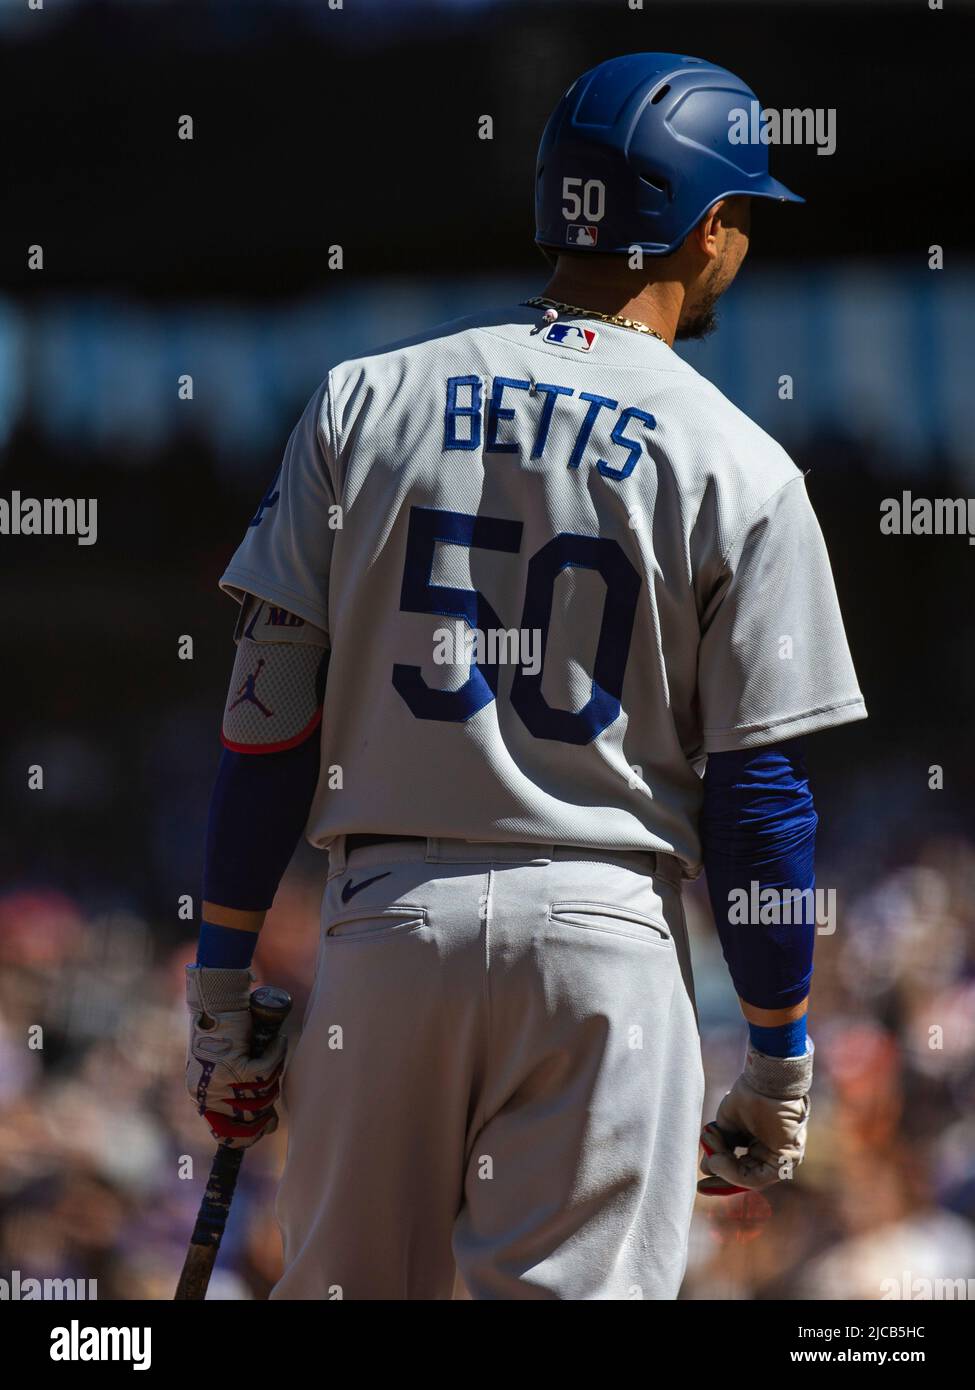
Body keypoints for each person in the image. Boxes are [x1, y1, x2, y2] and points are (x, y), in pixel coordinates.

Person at [184, 52, 866, 1300]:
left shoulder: (364, 399)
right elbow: (761, 803)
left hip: (384, 924)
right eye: (746, 214)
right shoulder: (744, 463)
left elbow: (267, 726)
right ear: (709, 230)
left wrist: (223, 978)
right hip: (603, 943)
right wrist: (778, 1057)